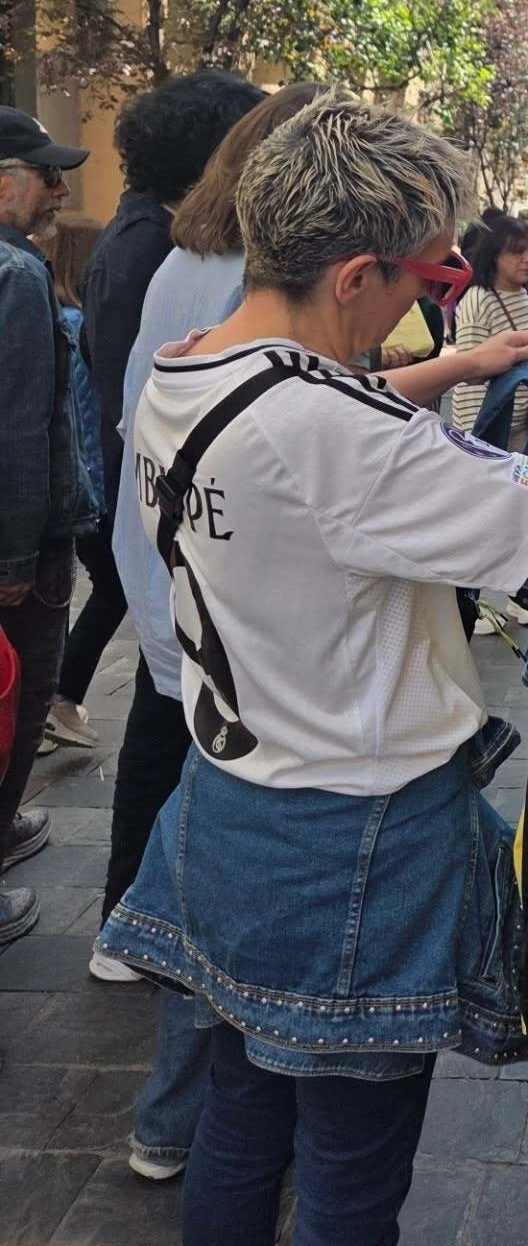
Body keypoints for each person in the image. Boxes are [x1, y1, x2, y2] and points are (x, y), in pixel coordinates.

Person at [95, 96, 528, 1245]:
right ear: (358, 272)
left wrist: (447, 369)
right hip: (354, 832)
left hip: (233, 802)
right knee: (351, 1180)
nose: (424, 308)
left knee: (240, 1116)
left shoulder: (188, 369)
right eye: (422, 279)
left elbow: (322, 422)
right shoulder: (341, 436)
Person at [51, 72, 263, 766]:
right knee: (161, 736)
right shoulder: (156, 249)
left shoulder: (159, 240)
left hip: (161, 512)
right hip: (165, 510)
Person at [0, 108, 95, 945]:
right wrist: (21, 555)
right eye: (45, 173)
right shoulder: (18, 273)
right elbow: (22, 423)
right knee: (21, 697)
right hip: (20, 544)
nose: (60, 188)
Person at [36, 218, 105, 752]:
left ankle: (48, 699)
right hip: (87, 487)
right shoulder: (77, 325)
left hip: (66, 488)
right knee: (112, 588)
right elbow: (84, 417)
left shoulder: (56, 318)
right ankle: (55, 697)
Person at [451, 214, 528, 446]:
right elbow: (470, 374)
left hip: (520, 426)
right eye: (517, 252)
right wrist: (478, 441)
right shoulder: (479, 299)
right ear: (495, 257)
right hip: (491, 434)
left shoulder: (520, 293)